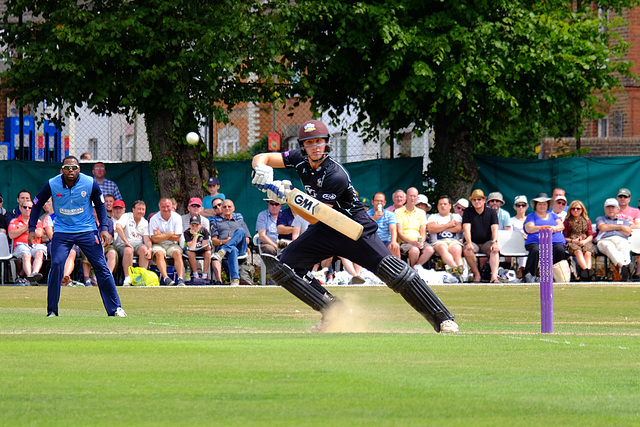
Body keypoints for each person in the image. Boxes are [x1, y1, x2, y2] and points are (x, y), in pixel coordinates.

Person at [251, 119, 458, 333]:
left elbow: (315, 216)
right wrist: (261, 170)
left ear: (326, 143)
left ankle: (443, 319)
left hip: (353, 228)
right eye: (309, 142)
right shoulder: (299, 159)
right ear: (302, 146)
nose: (314, 147)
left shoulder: (335, 175)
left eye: (319, 141)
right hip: (325, 230)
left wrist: (287, 197)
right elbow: (262, 157)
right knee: (286, 267)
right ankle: (335, 311)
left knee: (394, 273)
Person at [28, 156, 126, 317]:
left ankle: (115, 308)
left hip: (87, 230)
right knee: (58, 264)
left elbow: (100, 205)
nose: (70, 171)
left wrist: (103, 228)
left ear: (79, 169)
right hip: (62, 231)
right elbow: (37, 203)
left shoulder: (89, 183)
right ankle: (52, 310)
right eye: (67, 168)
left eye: (74, 167)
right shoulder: (53, 183)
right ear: (62, 170)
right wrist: (32, 228)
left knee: (101, 266)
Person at [522, 193, 566, 283]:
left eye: (544, 204)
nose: (542, 206)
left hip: (553, 242)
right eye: (540, 204)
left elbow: (561, 226)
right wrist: (546, 227)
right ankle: (530, 275)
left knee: (560, 249)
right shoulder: (531, 216)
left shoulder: (553, 216)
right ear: (536, 205)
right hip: (536, 242)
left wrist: (553, 229)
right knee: (536, 250)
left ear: (548, 205)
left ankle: (552, 274)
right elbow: (529, 228)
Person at [211, 199, 252, 287]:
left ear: (233, 208)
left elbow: (247, 240)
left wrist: (232, 241)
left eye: (229, 206)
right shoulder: (217, 224)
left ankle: (224, 250)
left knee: (241, 231)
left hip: (241, 247)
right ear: (221, 208)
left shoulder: (240, 223)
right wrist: (224, 241)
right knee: (232, 249)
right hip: (228, 249)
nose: (227, 208)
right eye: (224, 207)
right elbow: (214, 241)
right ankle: (235, 279)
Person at [462, 189, 500, 283]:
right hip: (473, 242)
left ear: (484, 200)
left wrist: (495, 242)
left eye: (479, 199)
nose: (477, 201)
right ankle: (477, 274)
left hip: (487, 242)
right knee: (467, 249)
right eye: (474, 200)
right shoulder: (467, 211)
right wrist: (469, 242)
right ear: (471, 202)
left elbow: (494, 228)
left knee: (495, 249)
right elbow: (466, 229)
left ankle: (494, 277)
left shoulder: (491, 212)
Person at [149, 197, 186, 286]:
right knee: (159, 254)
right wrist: (169, 234)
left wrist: (161, 234)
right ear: (159, 207)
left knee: (177, 253)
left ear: (172, 206)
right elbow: (154, 239)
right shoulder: (154, 219)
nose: (166, 209)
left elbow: (177, 237)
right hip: (158, 244)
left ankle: (180, 279)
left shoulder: (177, 217)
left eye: (168, 206)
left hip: (173, 244)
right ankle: (166, 279)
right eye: (163, 207)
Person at [115, 200, 152, 286]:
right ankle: (127, 279)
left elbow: (147, 239)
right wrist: (126, 241)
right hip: (123, 245)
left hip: (137, 246)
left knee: (144, 249)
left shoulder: (145, 222)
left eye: (143, 209)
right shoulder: (126, 216)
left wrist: (150, 249)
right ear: (133, 209)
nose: (141, 211)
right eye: (139, 209)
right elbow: (118, 227)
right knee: (129, 250)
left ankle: (141, 278)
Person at [8, 200, 47, 285]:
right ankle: (31, 278)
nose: (27, 209)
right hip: (20, 245)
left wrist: (20, 230)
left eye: (30, 208)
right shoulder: (14, 221)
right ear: (20, 208)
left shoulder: (38, 220)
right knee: (26, 255)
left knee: (40, 253)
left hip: (35, 245)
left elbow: (40, 233)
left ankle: (34, 274)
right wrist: (28, 227)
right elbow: (11, 234)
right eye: (25, 207)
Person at [395, 187, 435, 268]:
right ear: (406, 197)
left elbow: (423, 231)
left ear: (417, 198)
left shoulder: (421, 212)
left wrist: (421, 241)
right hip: (405, 242)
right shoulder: (398, 212)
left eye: (414, 196)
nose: (412, 198)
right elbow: (399, 233)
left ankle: (415, 269)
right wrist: (412, 242)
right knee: (414, 250)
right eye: (410, 196)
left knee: (430, 249)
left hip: (418, 240)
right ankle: (414, 270)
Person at [427, 195, 464, 280]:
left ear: (450, 206)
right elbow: (431, 229)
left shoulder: (456, 216)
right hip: (438, 242)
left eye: (445, 204)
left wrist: (439, 227)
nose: (443, 206)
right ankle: (456, 269)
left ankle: (459, 272)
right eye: (440, 204)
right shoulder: (433, 216)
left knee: (457, 250)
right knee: (442, 248)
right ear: (437, 206)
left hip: (453, 241)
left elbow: (458, 228)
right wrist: (448, 225)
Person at [596, 198, 632, 281]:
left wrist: (609, 227)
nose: (610, 209)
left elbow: (627, 232)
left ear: (617, 209)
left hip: (621, 239)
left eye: (613, 207)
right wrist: (620, 227)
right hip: (605, 240)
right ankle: (623, 266)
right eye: (608, 207)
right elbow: (602, 227)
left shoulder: (624, 221)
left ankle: (624, 272)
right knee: (610, 247)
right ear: (605, 209)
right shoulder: (601, 219)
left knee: (625, 247)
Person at [81, 206, 118, 287]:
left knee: (112, 253)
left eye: (96, 208)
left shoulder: (109, 222)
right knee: (85, 250)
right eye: (92, 208)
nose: (94, 210)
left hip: (105, 245)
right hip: (90, 245)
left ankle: (106, 279)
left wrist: (102, 246)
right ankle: (87, 279)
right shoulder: (86, 221)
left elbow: (109, 238)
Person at [564, 200, 595, 281]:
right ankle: (587, 272)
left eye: (578, 208)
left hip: (585, 240)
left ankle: (586, 273)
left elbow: (590, 235)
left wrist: (584, 242)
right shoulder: (567, 221)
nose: (575, 210)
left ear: (582, 210)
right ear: (570, 210)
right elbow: (564, 237)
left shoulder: (587, 221)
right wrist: (574, 241)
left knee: (588, 253)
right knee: (578, 251)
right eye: (573, 208)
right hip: (572, 241)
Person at [368, 192, 401, 258]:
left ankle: (396, 267)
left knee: (395, 247)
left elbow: (393, 229)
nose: (379, 203)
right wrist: (374, 218)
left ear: (384, 203)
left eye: (381, 201)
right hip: (372, 241)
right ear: (372, 202)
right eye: (377, 201)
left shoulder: (390, 214)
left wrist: (393, 241)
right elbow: (366, 228)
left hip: (386, 241)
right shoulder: (366, 214)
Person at [183, 215, 211, 280]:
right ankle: (196, 275)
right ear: (190, 225)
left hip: (200, 249)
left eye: (197, 225)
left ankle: (204, 275)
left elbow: (204, 245)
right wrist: (195, 235)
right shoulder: (187, 232)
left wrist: (207, 247)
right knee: (191, 253)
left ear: (200, 225)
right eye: (193, 225)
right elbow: (191, 247)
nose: (195, 228)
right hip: (190, 250)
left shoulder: (204, 231)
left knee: (208, 253)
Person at [510, 195, 529, 278]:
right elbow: (509, 235)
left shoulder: (530, 219)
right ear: (515, 207)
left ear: (526, 207)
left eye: (523, 205)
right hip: (516, 244)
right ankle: (522, 268)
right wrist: (520, 235)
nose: (521, 207)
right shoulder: (511, 220)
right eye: (518, 205)